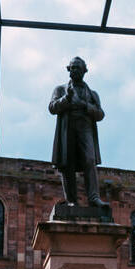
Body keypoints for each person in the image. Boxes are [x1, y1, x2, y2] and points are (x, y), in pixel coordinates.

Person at [48, 56, 109, 208]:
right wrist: (66, 99)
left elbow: (100, 114)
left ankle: (94, 198)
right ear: (68, 70)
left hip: (85, 128)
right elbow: (52, 108)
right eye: (72, 68)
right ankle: (71, 201)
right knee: (67, 163)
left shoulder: (92, 94)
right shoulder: (61, 89)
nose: (74, 70)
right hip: (67, 129)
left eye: (78, 68)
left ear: (84, 71)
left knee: (89, 160)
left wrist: (85, 105)